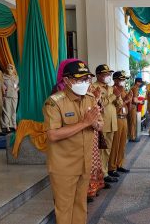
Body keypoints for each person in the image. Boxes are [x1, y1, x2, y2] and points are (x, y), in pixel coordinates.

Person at [43, 60, 103, 224]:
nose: (84, 83)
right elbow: (52, 135)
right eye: (79, 79)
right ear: (67, 80)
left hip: (84, 162)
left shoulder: (90, 98)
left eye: (86, 79)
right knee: (64, 209)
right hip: (64, 166)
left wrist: (96, 124)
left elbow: (99, 122)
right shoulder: (54, 102)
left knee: (80, 205)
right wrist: (84, 123)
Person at [93, 64, 119, 184]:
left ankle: (105, 172)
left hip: (112, 122)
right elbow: (100, 103)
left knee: (107, 150)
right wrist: (113, 96)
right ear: (98, 75)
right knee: (101, 151)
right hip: (103, 123)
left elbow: (115, 104)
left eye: (109, 74)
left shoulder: (110, 87)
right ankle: (102, 174)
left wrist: (117, 97)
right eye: (105, 74)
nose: (108, 76)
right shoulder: (94, 87)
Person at [109, 71, 132, 178]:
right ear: (115, 80)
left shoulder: (123, 90)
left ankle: (119, 164)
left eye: (124, 80)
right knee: (116, 144)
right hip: (117, 118)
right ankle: (112, 167)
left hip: (124, 118)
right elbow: (116, 106)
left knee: (123, 143)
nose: (123, 81)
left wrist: (129, 99)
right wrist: (127, 100)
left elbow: (128, 106)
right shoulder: (113, 90)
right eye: (121, 79)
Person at [1, 64, 19, 133]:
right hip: (7, 96)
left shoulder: (16, 77)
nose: (10, 69)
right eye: (9, 68)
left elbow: (17, 86)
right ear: (6, 68)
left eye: (11, 68)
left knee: (13, 110)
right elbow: (1, 85)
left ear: (13, 69)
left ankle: (14, 125)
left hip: (14, 96)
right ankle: (7, 126)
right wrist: (3, 90)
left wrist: (17, 89)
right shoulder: (3, 76)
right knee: (6, 110)